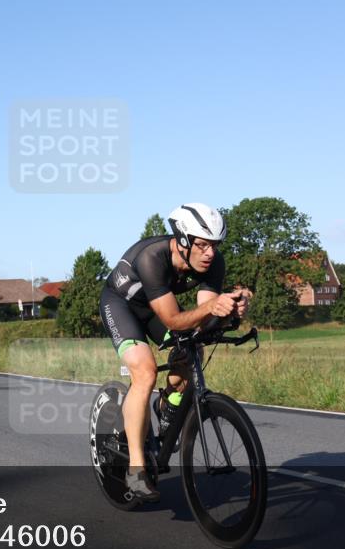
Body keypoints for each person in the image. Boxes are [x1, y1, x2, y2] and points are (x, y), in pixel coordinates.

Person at [99, 203, 252, 501]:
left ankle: (167, 404)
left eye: (215, 245)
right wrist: (212, 306)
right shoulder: (152, 257)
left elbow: (204, 320)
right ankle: (136, 470)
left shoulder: (213, 262)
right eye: (203, 245)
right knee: (145, 372)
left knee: (192, 350)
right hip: (121, 305)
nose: (210, 253)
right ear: (183, 240)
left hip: (156, 307)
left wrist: (231, 311)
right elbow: (172, 319)